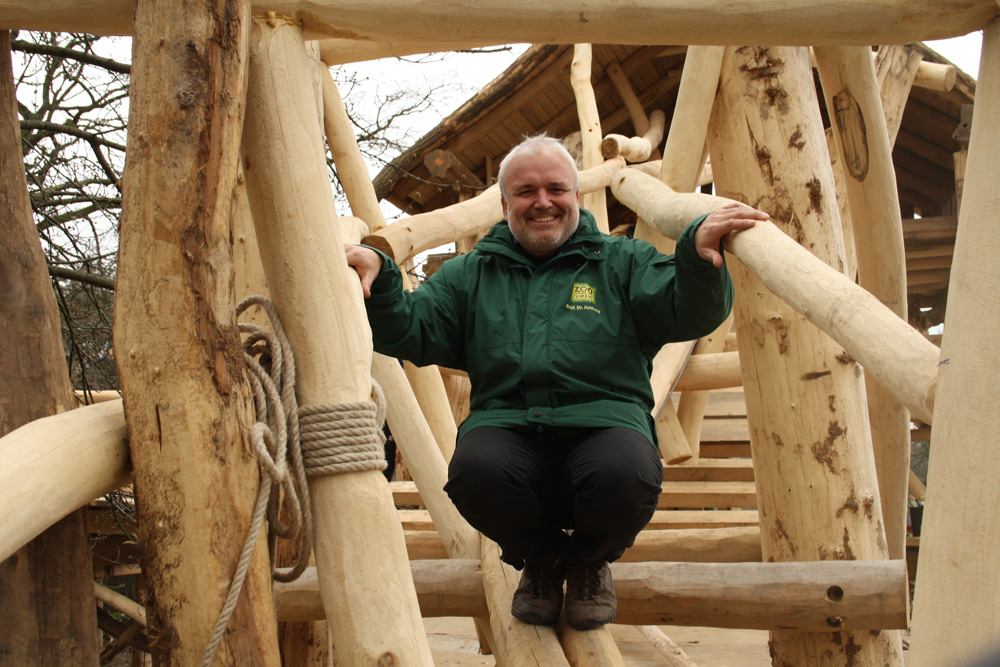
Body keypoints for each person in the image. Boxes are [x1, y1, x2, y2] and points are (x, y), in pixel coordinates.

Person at [345, 134, 767, 630]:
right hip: (508, 428)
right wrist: (382, 281)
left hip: (604, 425)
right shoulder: (469, 274)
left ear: (576, 196)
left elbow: (687, 310)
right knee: (474, 471)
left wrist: (696, 259)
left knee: (626, 472)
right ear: (504, 205)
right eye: (525, 192)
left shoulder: (622, 262)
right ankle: (542, 561)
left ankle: (588, 562)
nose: (542, 201)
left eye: (555, 188)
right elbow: (412, 328)